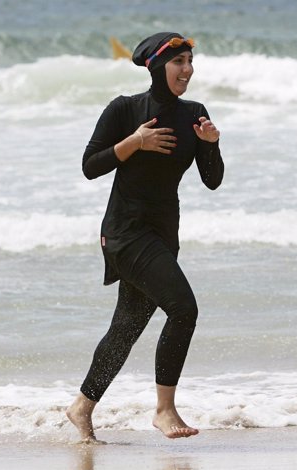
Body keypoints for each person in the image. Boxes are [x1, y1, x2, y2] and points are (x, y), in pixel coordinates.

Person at [66, 32, 224, 443]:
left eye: (190, 62)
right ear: (156, 66)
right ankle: (165, 410)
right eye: (179, 63)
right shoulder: (125, 109)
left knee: (125, 329)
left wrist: (212, 144)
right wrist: (135, 141)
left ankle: (82, 408)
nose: (187, 70)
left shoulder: (195, 113)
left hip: (163, 234)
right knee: (183, 309)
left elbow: (212, 180)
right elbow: (90, 166)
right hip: (125, 231)